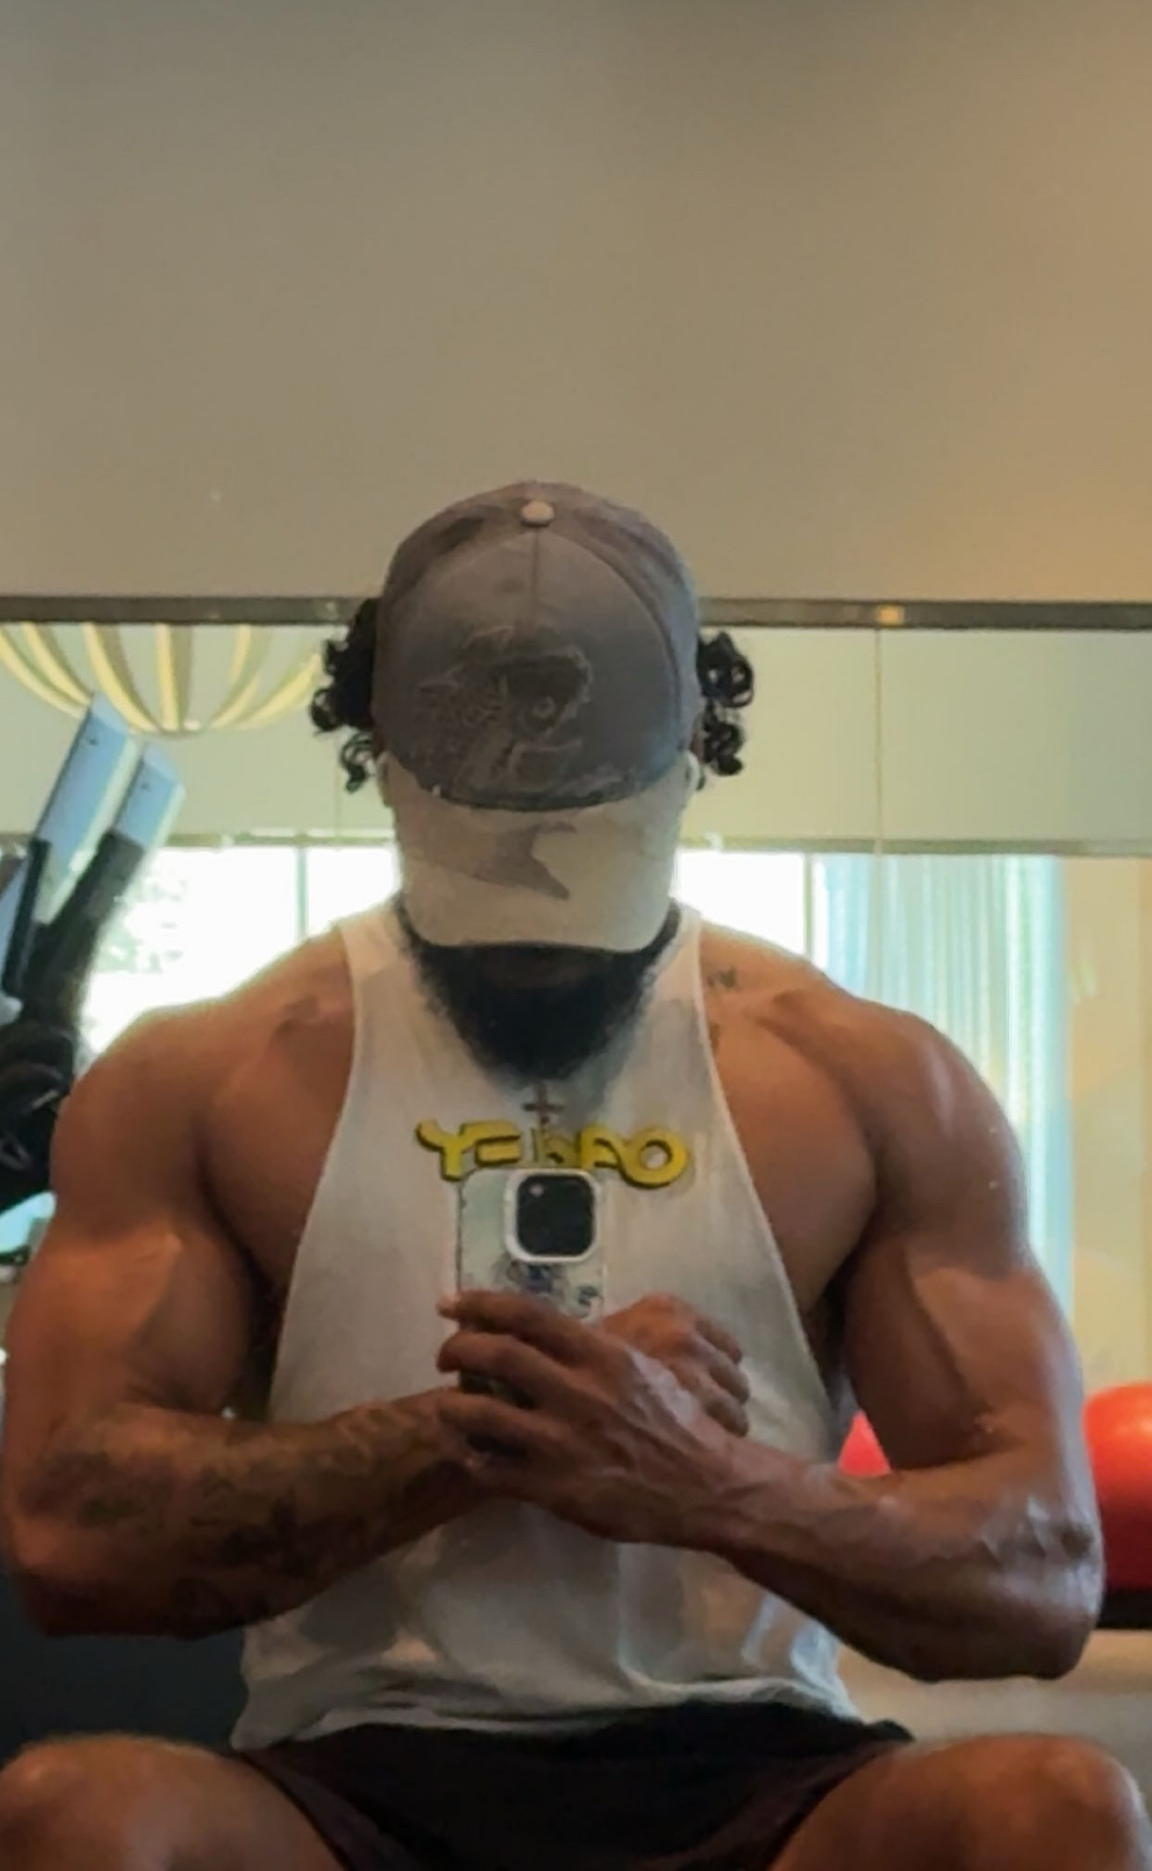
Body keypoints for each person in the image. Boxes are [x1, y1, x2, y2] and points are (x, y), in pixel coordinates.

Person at [0, 480, 1144, 1871]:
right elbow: (68, 1534)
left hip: (758, 1768)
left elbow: (1044, 1576)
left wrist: (703, 1484)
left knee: (1058, 1810)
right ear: (378, 759)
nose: (537, 936)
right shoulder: (208, 1076)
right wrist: (478, 1435)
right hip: (358, 1771)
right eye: (488, 867)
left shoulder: (864, 1080)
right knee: (78, 1816)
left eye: (585, 858)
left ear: (696, 757)